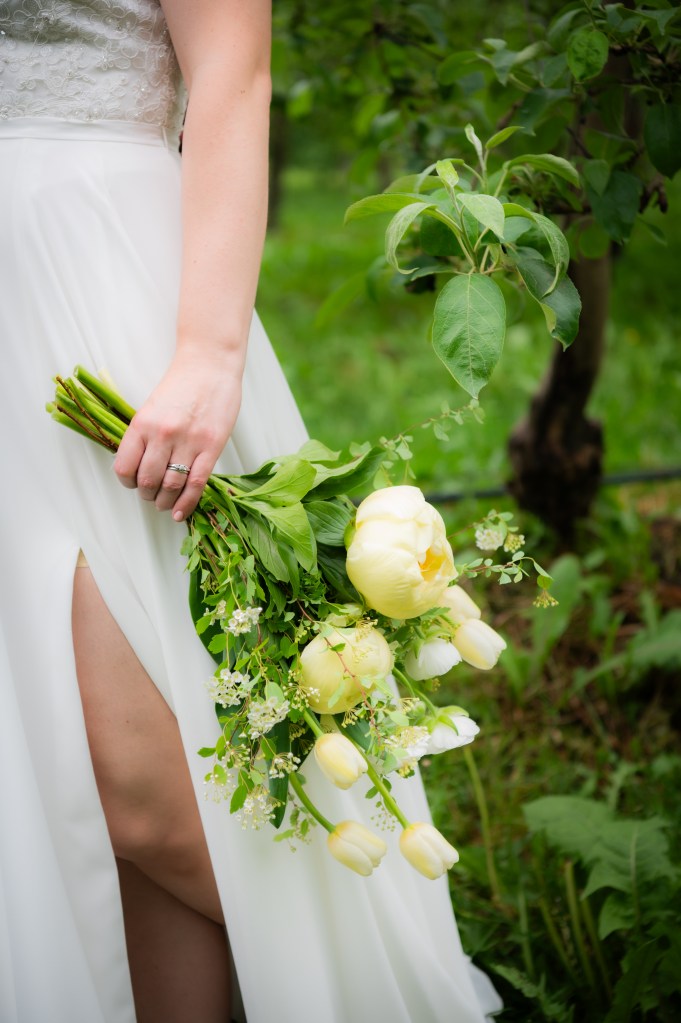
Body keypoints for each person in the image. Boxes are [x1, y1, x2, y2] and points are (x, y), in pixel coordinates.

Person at [0, 2, 502, 1021]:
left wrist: (209, 352)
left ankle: (362, 986)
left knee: (135, 785)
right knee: (55, 777)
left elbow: (232, 72)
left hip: (93, 280)